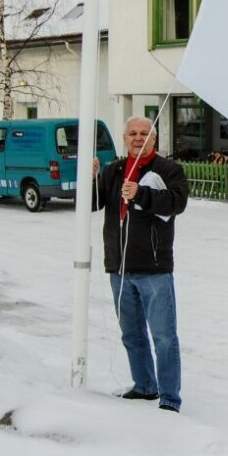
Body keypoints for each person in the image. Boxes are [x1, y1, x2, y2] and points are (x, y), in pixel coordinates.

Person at [92, 116, 189, 412]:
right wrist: (92, 179)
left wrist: (141, 194)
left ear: (154, 139)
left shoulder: (168, 169)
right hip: (119, 268)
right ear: (124, 138)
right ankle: (145, 385)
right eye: (132, 133)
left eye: (144, 134)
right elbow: (92, 204)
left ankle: (169, 397)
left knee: (163, 336)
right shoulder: (115, 170)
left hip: (154, 269)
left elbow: (177, 203)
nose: (138, 138)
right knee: (131, 333)